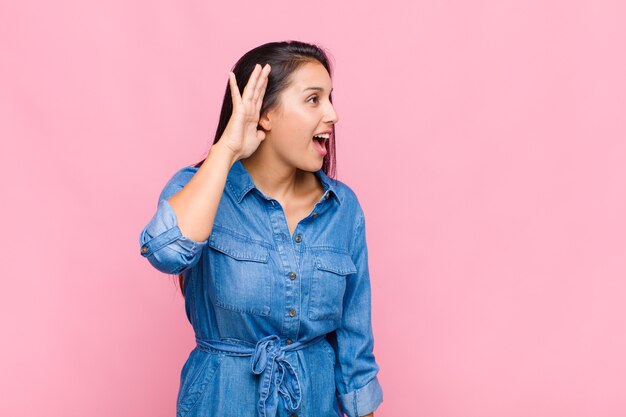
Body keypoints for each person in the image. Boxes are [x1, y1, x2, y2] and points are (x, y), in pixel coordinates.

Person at [139, 40, 383, 417]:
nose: (333, 115)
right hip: (220, 403)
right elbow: (166, 253)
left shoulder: (342, 208)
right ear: (265, 115)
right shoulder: (199, 187)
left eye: (331, 98)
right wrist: (227, 150)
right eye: (314, 100)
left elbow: (356, 350)